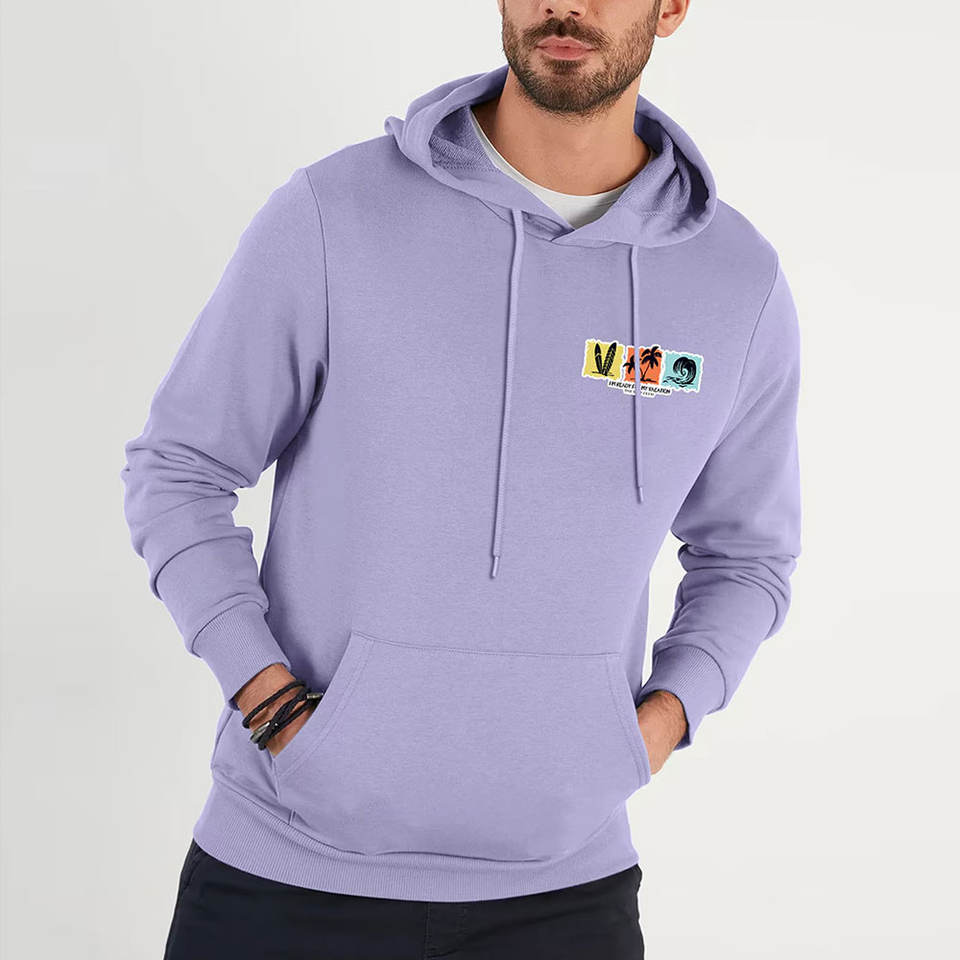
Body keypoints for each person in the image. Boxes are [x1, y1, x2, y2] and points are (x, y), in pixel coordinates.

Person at [120, 1, 803, 957]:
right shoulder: (336, 213)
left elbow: (748, 555)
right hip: (285, 873)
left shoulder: (733, 281)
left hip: (564, 897)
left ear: (673, 6)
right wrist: (267, 697)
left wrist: (659, 721)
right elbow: (181, 467)